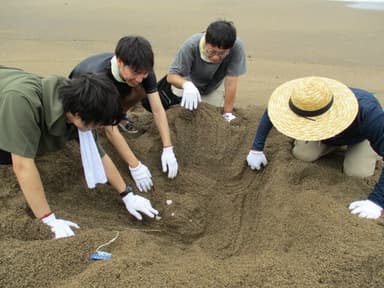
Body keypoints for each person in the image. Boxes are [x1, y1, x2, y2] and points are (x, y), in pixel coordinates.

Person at [0, 66, 159, 239]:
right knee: (11, 155)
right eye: (97, 125)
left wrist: (127, 194)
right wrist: (47, 219)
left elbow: (98, 153)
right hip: (9, 99)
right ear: (77, 115)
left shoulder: (80, 103)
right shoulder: (22, 102)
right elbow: (22, 166)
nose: (98, 129)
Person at [246, 76, 384, 220]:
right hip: (326, 138)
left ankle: (372, 152)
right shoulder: (302, 100)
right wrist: (257, 148)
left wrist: (377, 201)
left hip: (361, 137)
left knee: (357, 173)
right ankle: (331, 146)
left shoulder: (369, 113)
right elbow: (272, 110)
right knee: (303, 154)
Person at [70, 36, 178, 193]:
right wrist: (135, 165)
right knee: (92, 126)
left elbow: (157, 109)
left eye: (144, 73)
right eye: (136, 72)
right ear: (120, 62)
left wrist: (168, 147)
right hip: (84, 99)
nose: (140, 77)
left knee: (140, 88)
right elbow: (110, 130)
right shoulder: (101, 78)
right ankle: (110, 117)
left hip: (115, 91)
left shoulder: (142, 70)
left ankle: (119, 116)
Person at [166, 19, 247, 122]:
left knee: (211, 118)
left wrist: (227, 113)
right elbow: (171, 76)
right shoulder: (191, 45)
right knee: (182, 115)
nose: (216, 58)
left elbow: (231, 82)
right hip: (187, 84)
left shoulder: (237, 47)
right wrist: (186, 85)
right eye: (212, 52)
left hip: (214, 86)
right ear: (206, 41)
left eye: (222, 53)